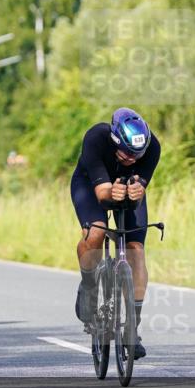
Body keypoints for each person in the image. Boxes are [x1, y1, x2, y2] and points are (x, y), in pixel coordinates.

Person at [71, 107, 160, 359]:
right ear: (114, 140)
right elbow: (102, 194)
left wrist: (138, 191)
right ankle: (88, 285)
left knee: (136, 249)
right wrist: (112, 193)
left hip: (126, 190)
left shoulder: (153, 148)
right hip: (91, 186)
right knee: (97, 233)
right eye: (126, 153)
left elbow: (141, 185)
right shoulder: (96, 139)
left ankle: (133, 327)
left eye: (137, 155)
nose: (132, 159)